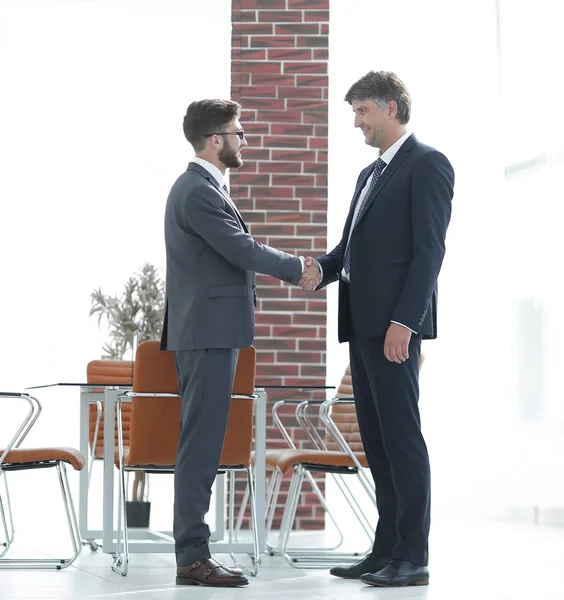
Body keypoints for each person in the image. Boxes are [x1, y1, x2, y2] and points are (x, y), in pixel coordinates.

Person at [160, 99, 320, 588]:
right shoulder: (197, 190)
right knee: (201, 445)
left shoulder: (203, 188)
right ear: (216, 139)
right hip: (206, 333)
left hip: (210, 331)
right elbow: (239, 249)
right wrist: (298, 267)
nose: (244, 139)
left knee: (203, 443)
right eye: (238, 132)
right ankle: (192, 556)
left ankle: (193, 552)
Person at [305, 71, 454, 588]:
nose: (357, 123)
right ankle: (386, 549)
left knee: (402, 440)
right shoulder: (369, 176)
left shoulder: (428, 165)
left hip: (394, 329)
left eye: (363, 112)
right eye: (354, 113)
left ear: (392, 108)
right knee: (377, 440)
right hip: (362, 326)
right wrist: (317, 271)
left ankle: (413, 556)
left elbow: (428, 252)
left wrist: (404, 324)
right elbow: (349, 250)